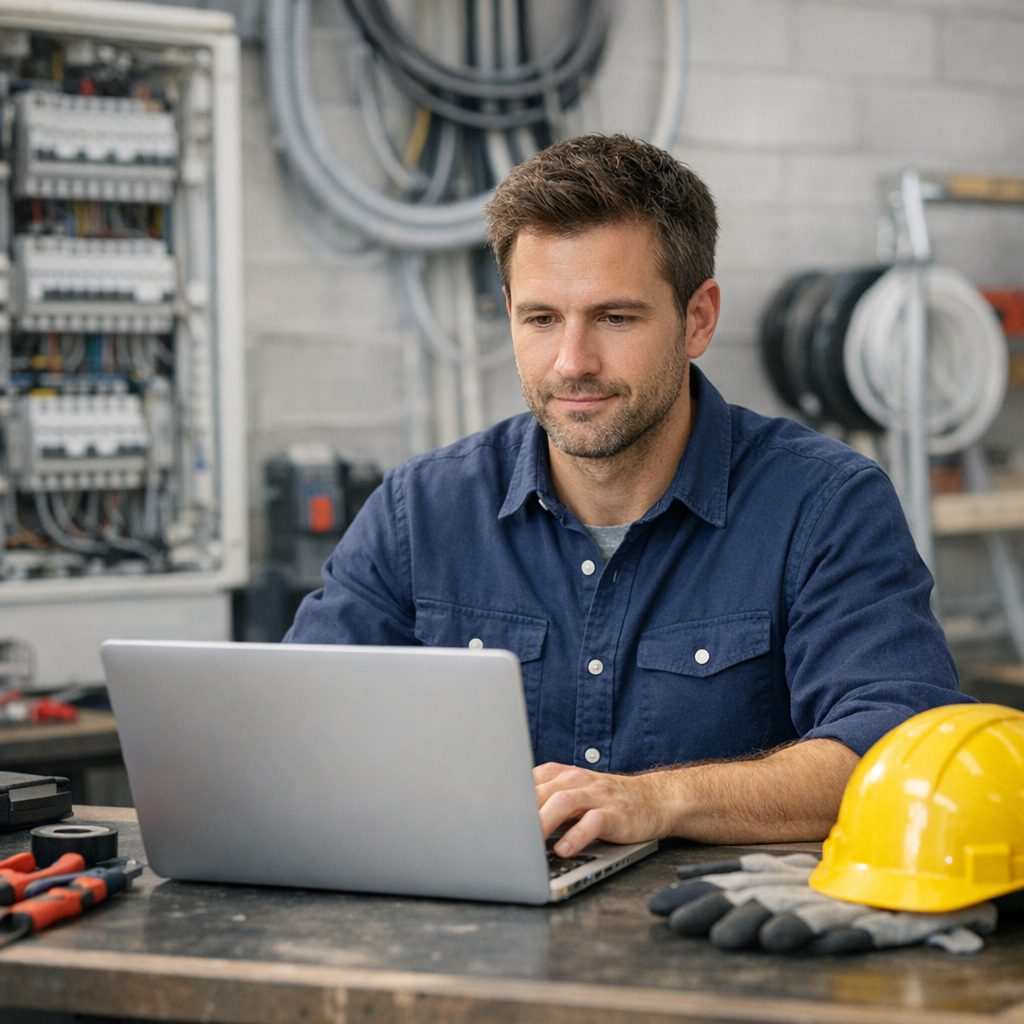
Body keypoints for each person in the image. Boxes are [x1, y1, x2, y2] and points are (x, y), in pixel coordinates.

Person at [285, 133, 967, 859]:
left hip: (724, 940)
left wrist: (658, 800)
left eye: (615, 318)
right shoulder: (420, 512)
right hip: (477, 932)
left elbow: (898, 749)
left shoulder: (825, 505)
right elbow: (299, 728)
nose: (572, 363)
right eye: (541, 319)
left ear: (698, 318)